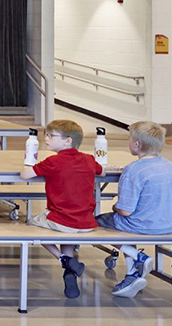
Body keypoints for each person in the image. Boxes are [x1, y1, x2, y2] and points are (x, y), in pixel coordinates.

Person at [95, 121, 172, 298]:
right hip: (167, 224)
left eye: (130, 139)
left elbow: (125, 211)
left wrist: (115, 207)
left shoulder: (133, 170)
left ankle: (137, 257)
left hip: (140, 225)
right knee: (123, 223)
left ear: (137, 144)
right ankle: (131, 274)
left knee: (95, 223)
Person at [19, 119, 103, 299]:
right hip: (87, 221)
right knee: (66, 230)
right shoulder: (88, 159)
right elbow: (101, 171)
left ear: (68, 141)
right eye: (46, 135)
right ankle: (69, 274)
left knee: (31, 225)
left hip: (63, 221)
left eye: (51, 136)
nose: (46, 139)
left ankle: (64, 259)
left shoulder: (53, 161)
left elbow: (25, 174)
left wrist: (29, 160)